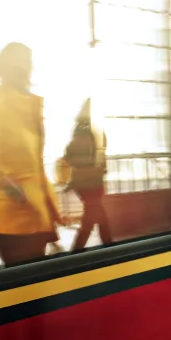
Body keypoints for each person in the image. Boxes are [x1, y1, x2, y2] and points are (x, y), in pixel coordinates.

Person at [0, 43, 63, 266]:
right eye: (21, 64)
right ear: (6, 68)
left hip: (38, 217)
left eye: (28, 63)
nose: (26, 69)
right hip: (16, 223)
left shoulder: (32, 103)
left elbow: (37, 165)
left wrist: (47, 210)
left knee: (38, 288)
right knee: (25, 291)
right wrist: (20, 195)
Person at [64, 99, 112, 251]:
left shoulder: (74, 139)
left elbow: (68, 158)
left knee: (95, 217)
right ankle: (81, 251)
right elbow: (102, 153)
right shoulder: (96, 135)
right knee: (93, 218)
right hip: (93, 183)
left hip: (82, 186)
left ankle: (107, 246)